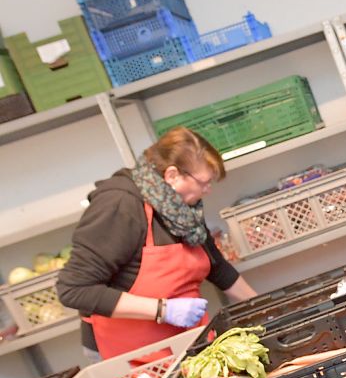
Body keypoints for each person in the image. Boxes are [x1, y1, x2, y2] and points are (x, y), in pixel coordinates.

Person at [57, 127, 256, 362]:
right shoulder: (120, 205)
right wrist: (164, 310)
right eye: (203, 183)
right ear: (172, 175)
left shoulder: (184, 209)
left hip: (184, 343)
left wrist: (262, 306)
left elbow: (217, 267)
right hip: (129, 356)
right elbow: (74, 290)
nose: (207, 190)